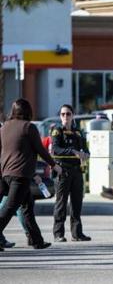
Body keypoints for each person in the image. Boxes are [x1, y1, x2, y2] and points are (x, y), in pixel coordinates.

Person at [0, 99, 62, 251]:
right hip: (19, 175)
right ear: (28, 111)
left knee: (27, 207)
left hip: (5, 173)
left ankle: (37, 241)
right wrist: (54, 165)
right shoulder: (29, 127)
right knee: (10, 207)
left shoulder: (4, 127)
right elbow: (40, 150)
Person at [52, 104, 91, 242]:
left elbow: (86, 150)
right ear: (60, 116)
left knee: (76, 204)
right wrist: (73, 152)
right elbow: (56, 149)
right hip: (63, 171)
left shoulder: (78, 132)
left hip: (77, 171)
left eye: (68, 114)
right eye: (63, 114)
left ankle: (77, 233)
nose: (66, 117)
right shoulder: (57, 131)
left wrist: (85, 154)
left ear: (73, 115)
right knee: (61, 203)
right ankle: (58, 233)